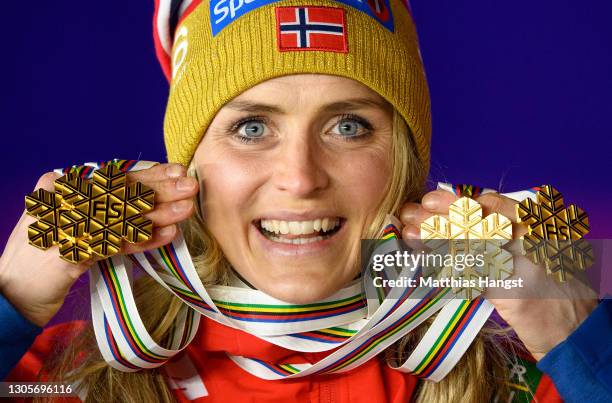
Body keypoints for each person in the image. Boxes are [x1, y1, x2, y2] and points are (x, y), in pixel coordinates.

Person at [1, 0, 610, 402]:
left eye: (348, 126)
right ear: (182, 166)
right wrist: (12, 300)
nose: (299, 178)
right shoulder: (59, 380)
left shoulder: (525, 377)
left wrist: (578, 334)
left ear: (405, 162)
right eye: (251, 128)